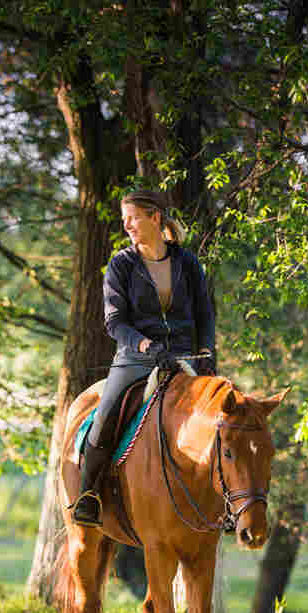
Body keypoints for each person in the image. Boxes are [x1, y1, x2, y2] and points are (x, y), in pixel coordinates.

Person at [71, 190, 217, 527]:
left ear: (154, 217)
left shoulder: (186, 262)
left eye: (133, 218)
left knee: (224, 415)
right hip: (136, 358)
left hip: (186, 357)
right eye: (124, 220)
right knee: (105, 415)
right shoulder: (122, 264)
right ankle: (89, 494)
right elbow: (114, 322)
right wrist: (146, 346)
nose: (127, 226)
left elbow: (204, 313)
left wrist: (206, 349)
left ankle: (221, 498)